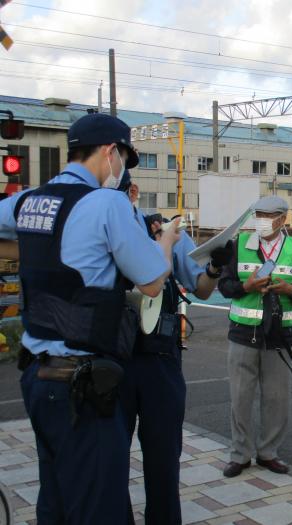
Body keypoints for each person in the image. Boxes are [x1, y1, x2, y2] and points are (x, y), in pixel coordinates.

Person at [0, 113, 179, 524]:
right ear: (110, 152)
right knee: (100, 504)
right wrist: (166, 243)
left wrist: (30, 250)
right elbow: (152, 282)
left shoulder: (29, 201)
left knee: (56, 498)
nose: (121, 171)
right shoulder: (108, 203)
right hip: (83, 387)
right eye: (124, 160)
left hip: (35, 376)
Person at [116, 172, 233, 524]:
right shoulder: (94, 227)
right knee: (110, 458)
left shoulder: (161, 228)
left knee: (164, 459)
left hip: (160, 359)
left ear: (132, 193)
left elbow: (200, 289)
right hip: (111, 358)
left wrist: (214, 266)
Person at [218, 195, 292, 478]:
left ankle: (268, 453)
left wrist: (291, 290)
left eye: (268, 215)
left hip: (278, 337)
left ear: (283, 219)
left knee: (276, 399)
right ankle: (240, 454)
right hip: (242, 334)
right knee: (240, 398)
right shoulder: (240, 246)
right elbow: (224, 285)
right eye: (258, 214)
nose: (262, 219)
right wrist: (245, 286)